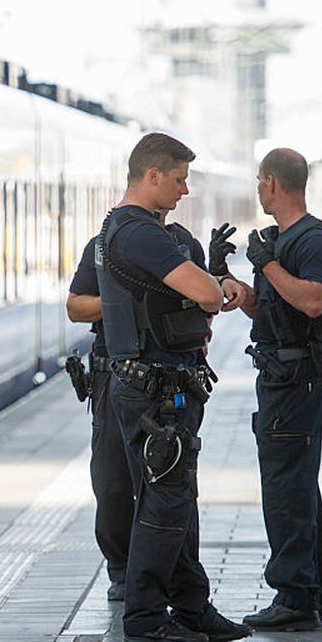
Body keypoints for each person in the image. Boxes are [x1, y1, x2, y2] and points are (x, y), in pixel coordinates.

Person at [95, 132, 251, 642]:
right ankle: (144, 618)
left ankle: (189, 605)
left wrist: (211, 281)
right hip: (153, 391)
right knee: (163, 501)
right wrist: (211, 288)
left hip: (162, 386)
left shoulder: (132, 231)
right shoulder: (139, 233)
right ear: (153, 174)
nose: (185, 190)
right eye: (180, 179)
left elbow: (200, 290)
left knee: (176, 497)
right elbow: (205, 295)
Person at [217, 148, 322, 632]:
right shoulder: (280, 241)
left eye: (258, 181)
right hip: (279, 374)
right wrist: (232, 282)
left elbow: (312, 301)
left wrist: (267, 265)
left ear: (271, 183)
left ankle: (294, 597)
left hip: (296, 380)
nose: (257, 189)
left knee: (286, 489)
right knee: (298, 485)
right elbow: (269, 311)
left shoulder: (314, 240)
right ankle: (315, 595)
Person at [67, 210, 206, 605]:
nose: (184, 191)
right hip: (112, 374)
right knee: (112, 482)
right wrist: (121, 302)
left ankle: (171, 579)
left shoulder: (182, 245)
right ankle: (121, 570)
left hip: (165, 378)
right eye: (178, 179)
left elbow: (204, 302)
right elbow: (76, 307)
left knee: (169, 484)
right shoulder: (105, 249)